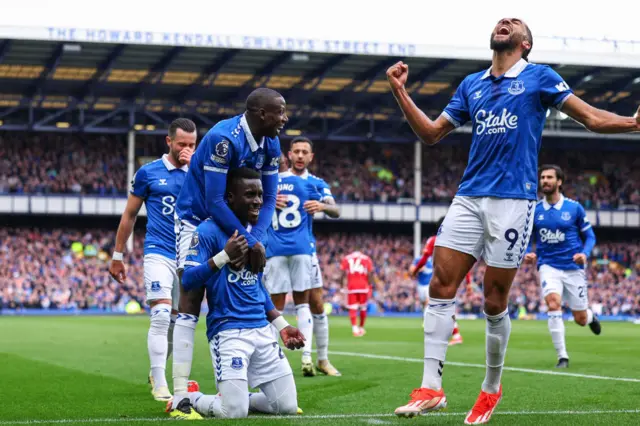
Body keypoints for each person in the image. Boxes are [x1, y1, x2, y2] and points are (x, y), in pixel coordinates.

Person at [387, 17, 640, 424]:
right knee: (440, 285)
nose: (504, 22)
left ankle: (490, 388)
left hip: (514, 202)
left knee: (493, 300)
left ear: (525, 43)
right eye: (501, 21)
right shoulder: (472, 84)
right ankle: (430, 388)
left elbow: (590, 117)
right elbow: (432, 134)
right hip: (469, 196)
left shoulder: (540, 77)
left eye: (514, 23)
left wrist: (633, 122)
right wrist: (400, 92)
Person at [170, 88, 286, 418]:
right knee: (190, 298)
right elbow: (214, 202)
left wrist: (256, 238)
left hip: (239, 219)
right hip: (197, 216)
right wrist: (248, 241)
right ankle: (180, 393)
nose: (285, 118)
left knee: (247, 280)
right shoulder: (224, 139)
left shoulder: (272, 143)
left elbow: (267, 199)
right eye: (280, 112)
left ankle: (241, 386)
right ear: (261, 113)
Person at [174, 167, 304, 420]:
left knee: (286, 407)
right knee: (233, 413)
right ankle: (192, 397)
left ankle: (239, 397)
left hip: (262, 331)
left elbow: (256, 286)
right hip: (228, 331)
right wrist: (223, 256)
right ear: (229, 197)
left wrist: (281, 325)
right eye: (250, 194)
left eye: (260, 194)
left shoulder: (258, 234)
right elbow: (188, 280)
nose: (257, 200)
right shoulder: (207, 231)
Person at [108, 118, 196, 402]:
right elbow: (129, 215)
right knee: (160, 315)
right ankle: (160, 382)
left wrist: (196, 169)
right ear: (168, 142)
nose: (186, 149)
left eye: (192, 145)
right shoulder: (148, 173)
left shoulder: (201, 173)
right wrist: (118, 255)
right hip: (158, 250)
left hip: (190, 254)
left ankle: (156, 370)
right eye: (182, 144)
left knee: (178, 320)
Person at [523, 165, 600, 369]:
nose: (545, 181)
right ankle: (562, 356)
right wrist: (526, 253)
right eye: (542, 177)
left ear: (559, 182)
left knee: (580, 319)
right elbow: (525, 237)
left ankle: (590, 316)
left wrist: (585, 253)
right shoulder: (535, 210)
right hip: (548, 265)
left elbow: (590, 236)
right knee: (553, 303)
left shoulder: (574, 208)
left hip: (573, 267)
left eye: (549, 177)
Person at [284, 136, 342, 376]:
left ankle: (322, 359)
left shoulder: (318, 184)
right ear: (289, 155)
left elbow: (336, 210)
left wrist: (323, 207)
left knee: (316, 303)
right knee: (279, 304)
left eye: (304, 151)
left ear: (311, 157)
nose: (299, 155)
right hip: (277, 250)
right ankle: (279, 360)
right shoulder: (276, 181)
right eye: (296, 151)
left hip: (305, 251)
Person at [265, 153, 322, 376]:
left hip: (276, 249)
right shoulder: (303, 183)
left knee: (275, 305)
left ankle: (272, 356)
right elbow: (319, 205)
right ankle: (307, 355)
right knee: (302, 303)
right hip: (301, 249)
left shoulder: (265, 185)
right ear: (287, 164)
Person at [410, 217, 464, 345]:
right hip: (453, 277)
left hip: (441, 278)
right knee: (445, 306)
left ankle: (444, 332)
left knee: (437, 306)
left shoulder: (434, 240)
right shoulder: (456, 240)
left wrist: (414, 271)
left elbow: (424, 258)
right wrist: (466, 280)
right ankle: (454, 334)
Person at [340, 250, 374, 337]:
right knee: (363, 308)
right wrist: (370, 285)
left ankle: (355, 329)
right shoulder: (366, 258)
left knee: (353, 308)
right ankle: (361, 328)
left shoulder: (347, 258)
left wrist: (341, 285)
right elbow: (370, 273)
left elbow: (342, 273)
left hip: (352, 286)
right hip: (363, 286)